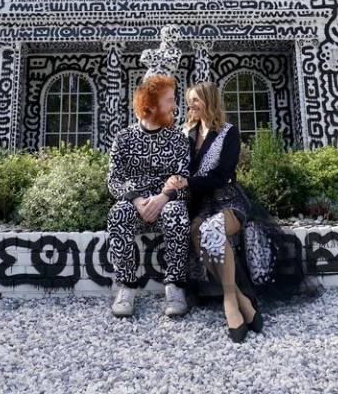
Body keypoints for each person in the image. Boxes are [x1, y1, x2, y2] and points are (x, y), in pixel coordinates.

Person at [164, 81, 314, 342]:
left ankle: (230, 303)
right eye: (189, 101)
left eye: (196, 100)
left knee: (213, 229)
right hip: (201, 202)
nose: (191, 105)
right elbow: (181, 167)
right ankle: (242, 299)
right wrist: (176, 180)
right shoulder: (187, 132)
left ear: (210, 100)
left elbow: (222, 175)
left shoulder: (228, 132)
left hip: (228, 199)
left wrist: (188, 181)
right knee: (198, 233)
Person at [106, 74, 192, 318]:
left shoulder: (177, 138)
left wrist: (163, 198)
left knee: (177, 214)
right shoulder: (124, 138)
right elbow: (113, 180)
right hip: (135, 202)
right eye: (170, 101)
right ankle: (127, 287)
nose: (176, 106)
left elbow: (183, 178)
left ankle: (175, 286)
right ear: (151, 106)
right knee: (117, 214)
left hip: (167, 202)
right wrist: (136, 199)